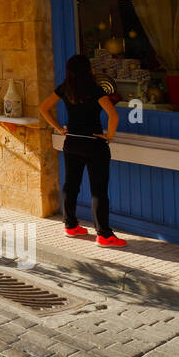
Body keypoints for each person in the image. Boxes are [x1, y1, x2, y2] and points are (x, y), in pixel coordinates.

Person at [38, 54, 124, 247]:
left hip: (72, 142)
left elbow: (43, 108)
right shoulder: (96, 90)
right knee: (98, 190)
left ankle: (70, 226)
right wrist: (109, 136)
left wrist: (60, 129)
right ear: (88, 70)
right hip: (94, 144)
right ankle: (104, 235)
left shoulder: (65, 88)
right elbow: (113, 115)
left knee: (71, 185)